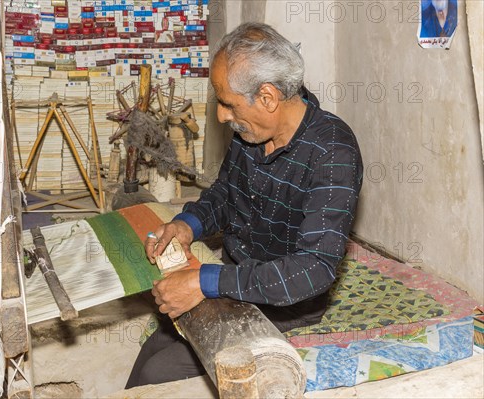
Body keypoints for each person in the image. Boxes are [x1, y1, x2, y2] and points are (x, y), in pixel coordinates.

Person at [125, 22, 363, 388]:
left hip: (284, 304)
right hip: (233, 280)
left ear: (268, 98)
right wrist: (188, 224)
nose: (222, 115)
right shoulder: (252, 132)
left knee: (158, 373)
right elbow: (223, 195)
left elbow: (313, 270)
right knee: (152, 351)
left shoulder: (333, 153)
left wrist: (206, 281)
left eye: (227, 103)